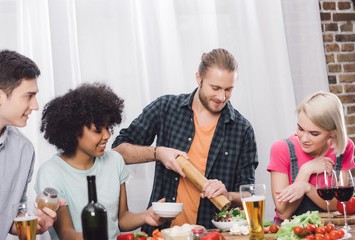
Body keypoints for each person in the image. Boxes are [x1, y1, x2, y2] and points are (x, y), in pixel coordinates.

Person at [112, 48, 258, 232]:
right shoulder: (166, 108)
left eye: (228, 89)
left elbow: (249, 193)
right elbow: (117, 152)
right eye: (215, 88)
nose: (222, 97)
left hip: (210, 235)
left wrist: (228, 195)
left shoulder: (242, 129)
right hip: (160, 234)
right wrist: (158, 153)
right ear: (199, 78)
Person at [35, 82, 165, 240]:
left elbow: (121, 219)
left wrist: (146, 215)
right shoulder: (51, 172)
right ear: (74, 130)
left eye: (108, 128)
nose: (107, 136)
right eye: (98, 130)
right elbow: (66, 233)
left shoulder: (115, 161)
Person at [0, 50, 64, 239]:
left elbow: (12, 217)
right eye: (29, 96)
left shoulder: (23, 150)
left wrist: (35, 223)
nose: (36, 106)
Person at [267, 91, 355, 221]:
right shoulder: (281, 149)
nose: (304, 139)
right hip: (292, 230)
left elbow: (339, 204)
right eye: (301, 129)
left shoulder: (344, 147)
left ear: (333, 133)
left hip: (330, 228)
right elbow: (284, 213)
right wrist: (306, 171)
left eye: (314, 134)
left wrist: (307, 188)